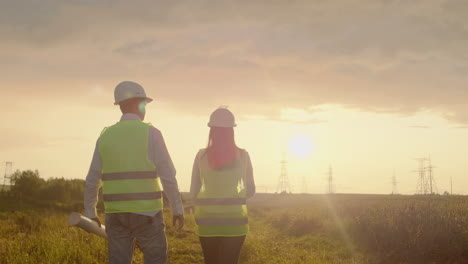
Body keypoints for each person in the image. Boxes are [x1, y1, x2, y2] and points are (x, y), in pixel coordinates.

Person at [84, 81, 185, 264]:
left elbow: (92, 179)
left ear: (120, 106)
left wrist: (91, 211)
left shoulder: (105, 136)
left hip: (116, 215)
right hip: (148, 214)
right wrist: (177, 208)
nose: (145, 108)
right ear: (136, 104)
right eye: (143, 104)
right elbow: (168, 175)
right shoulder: (152, 133)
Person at [190, 108, 256, 264]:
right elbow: (251, 190)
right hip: (235, 221)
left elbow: (194, 190)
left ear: (211, 130)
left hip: (207, 220)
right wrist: (235, 196)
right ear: (232, 130)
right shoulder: (243, 155)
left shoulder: (201, 156)